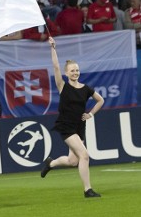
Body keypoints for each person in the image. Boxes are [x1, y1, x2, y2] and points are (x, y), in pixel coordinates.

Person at [40, 37, 105, 197]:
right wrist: (53, 48)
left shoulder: (86, 88)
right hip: (66, 126)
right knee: (84, 155)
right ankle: (87, 190)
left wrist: (90, 114)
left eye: (77, 70)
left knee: (73, 161)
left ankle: (51, 163)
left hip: (78, 127)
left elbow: (100, 100)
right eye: (72, 70)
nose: (75, 72)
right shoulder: (63, 86)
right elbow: (55, 66)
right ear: (66, 73)